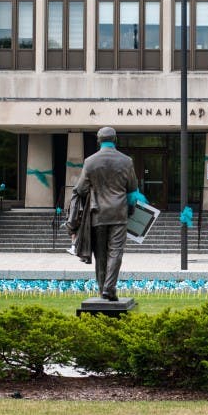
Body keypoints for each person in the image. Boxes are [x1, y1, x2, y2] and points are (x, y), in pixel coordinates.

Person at [70, 126, 140, 302]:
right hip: (119, 213)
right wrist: (132, 210)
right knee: (115, 252)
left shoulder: (90, 161)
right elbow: (132, 190)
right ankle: (109, 288)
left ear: (98, 140)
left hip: (97, 214)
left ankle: (103, 290)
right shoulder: (126, 161)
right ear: (115, 140)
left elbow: (80, 189)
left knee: (100, 254)